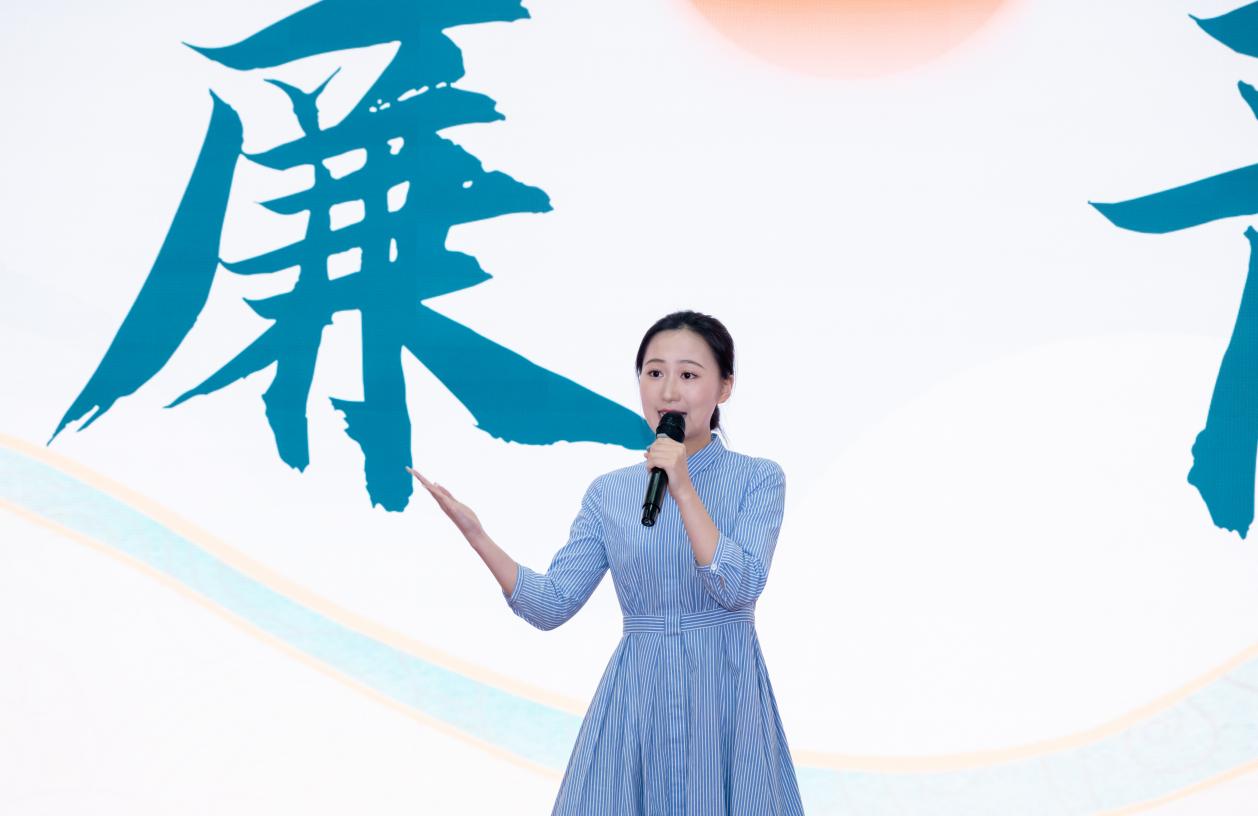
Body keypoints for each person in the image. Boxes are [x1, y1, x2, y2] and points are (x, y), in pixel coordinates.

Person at [409, 310, 805, 815]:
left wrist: (683, 489)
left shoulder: (759, 479)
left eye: (688, 375)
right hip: (637, 702)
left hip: (725, 697)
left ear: (724, 387)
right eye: (654, 372)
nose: (668, 391)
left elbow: (739, 586)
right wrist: (477, 535)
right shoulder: (609, 493)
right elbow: (551, 604)